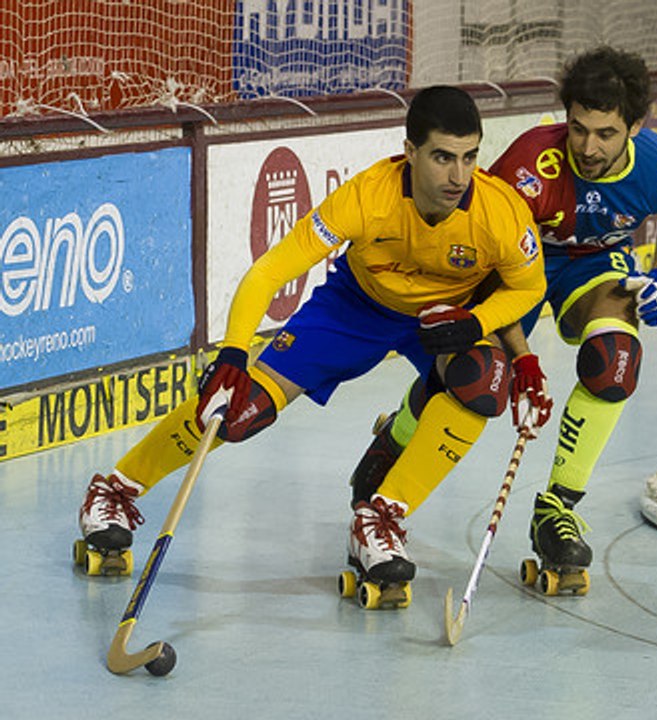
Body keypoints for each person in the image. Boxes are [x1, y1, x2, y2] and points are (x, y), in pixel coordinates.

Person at [75, 86, 546, 602]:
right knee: (239, 407)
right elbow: (270, 270)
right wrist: (233, 352)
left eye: (469, 158)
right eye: (442, 158)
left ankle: (380, 520)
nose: (458, 176)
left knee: (483, 383)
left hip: (441, 320)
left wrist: (476, 322)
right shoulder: (367, 196)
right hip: (355, 308)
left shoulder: (500, 211)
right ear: (409, 152)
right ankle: (116, 490)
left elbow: (529, 287)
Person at [348, 46, 657, 592]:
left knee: (616, 361)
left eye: (606, 133)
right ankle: (397, 436)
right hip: (514, 268)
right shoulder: (529, 162)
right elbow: (499, 261)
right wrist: (522, 359)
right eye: (578, 128)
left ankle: (557, 508)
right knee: (476, 376)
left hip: (596, 268)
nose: (588, 147)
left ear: (635, 125)